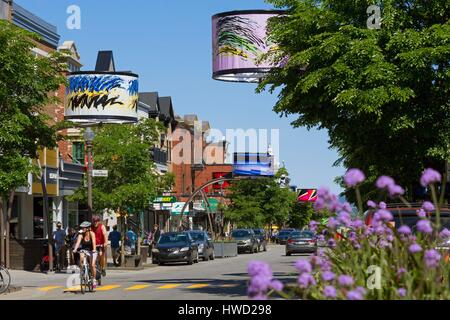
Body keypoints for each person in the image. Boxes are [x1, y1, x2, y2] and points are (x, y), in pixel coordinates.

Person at [73, 221, 98, 288]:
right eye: (82, 227)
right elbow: (78, 243)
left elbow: (94, 242)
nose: (82, 229)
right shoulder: (81, 234)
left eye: (84, 227)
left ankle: (94, 279)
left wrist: (94, 249)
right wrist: (75, 249)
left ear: (88, 228)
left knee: (92, 265)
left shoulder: (92, 233)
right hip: (84, 250)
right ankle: (82, 272)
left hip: (92, 250)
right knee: (81, 258)